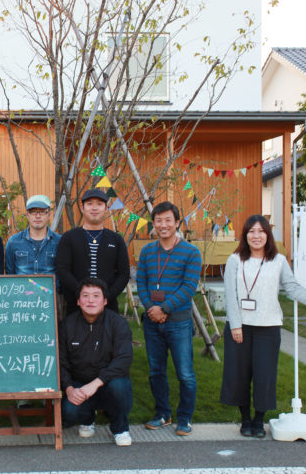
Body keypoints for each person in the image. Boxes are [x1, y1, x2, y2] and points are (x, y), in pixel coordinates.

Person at [220, 214, 306, 438]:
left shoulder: (279, 261)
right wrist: (235, 326)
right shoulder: (235, 260)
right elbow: (230, 296)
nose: (256, 236)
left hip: (268, 327)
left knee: (265, 375)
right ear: (245, 235)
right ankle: (244, 420)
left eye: (261, 231)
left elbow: (292, 288)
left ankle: (258, 421)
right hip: (240, 327)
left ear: (267, 235)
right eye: (251, 231)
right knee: (239, 375)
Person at [136, 201, 202, 436]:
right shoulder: (147, 251)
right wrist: (150, 307)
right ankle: (163, 413)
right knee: (156, 371)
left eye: (167, 220)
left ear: (177, 223)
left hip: (179, 322)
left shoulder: (191, 252)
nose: (163, 225)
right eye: (158, 221)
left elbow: (188, 288)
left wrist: (163, 308)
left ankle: (185, 418)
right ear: (153, 224)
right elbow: (141, 283)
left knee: (185, 372)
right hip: (152, 322)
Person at [59, 277, 134, 446]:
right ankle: (88, 417)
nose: (90, 300)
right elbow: (61, 362)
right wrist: (69, 389)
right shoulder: (67, 325)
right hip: (80, 381)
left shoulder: (118, 324)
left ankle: (120, 428)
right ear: (78, 301)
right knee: (69, 412)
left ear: (105, 301)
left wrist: (96, 383)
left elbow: (124, 359)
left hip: (109, 381)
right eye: (85, 296)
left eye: (96, 296)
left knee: (119, 387)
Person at [56, 188, 130, 315]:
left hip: (108, 306)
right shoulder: (69, 238)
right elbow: (62, 270)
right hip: (76, 305)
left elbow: (124, 274)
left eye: (99, 204)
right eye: (89, 204)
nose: (94, 208)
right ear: (82, 208)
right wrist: (82, 293)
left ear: (106, 208)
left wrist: (106, 297)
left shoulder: (116, 239)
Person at [5, 194, 61, 276]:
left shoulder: (59, 242)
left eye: (42, 212)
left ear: (49, 214)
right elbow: (10, 274)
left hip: (50, 289)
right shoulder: (14, 242)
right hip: (21, 288)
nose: (38, 216)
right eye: (33, 212)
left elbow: (62, 274)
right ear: (27, 214)